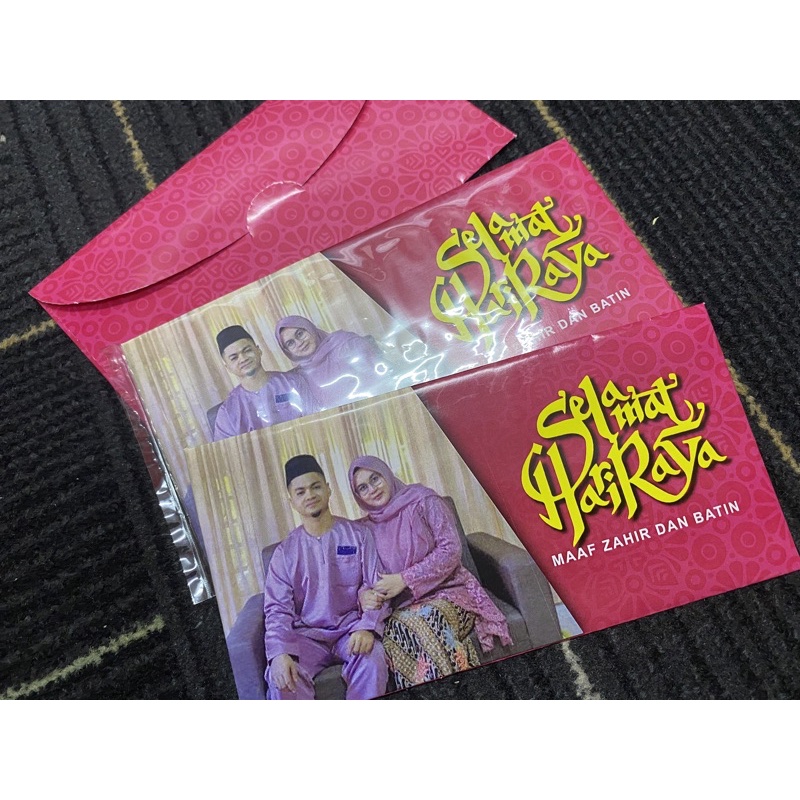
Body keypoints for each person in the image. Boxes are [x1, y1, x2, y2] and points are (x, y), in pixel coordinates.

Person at [348, 455, 512, 690]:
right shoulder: (365, 531)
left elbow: (451, 549)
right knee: (401, 630)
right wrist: (364, 595)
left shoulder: (424, 501)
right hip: (401, 607)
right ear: (357, 496)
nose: (372, 489)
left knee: (427, 623)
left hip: (450, 594)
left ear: (386, 474)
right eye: (363, 488)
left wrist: (405, 579)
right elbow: (366, 576)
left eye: (375, 479)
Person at [264, 454, 390, 700]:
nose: (310, 495)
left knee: (372, 660)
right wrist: (279, 653)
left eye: (316, 487)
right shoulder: (285, 553)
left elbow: (377, 585)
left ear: (328, 489)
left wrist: (367, 627)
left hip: (350, 630)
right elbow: (277, 609)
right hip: (307, 638)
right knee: (281, 678)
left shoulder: (358, 535)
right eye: (300, 492)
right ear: (292, 501)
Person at [212, 325, 317, 441]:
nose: (243, 359)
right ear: (228, 367)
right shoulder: (227, 412)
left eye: (247, 351)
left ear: (258, 350)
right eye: (234, 358)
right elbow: (228, 450)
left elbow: (317, 423)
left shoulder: (293, 382)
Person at [274, 315, 392, 410]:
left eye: (300, 334)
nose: (299, 343)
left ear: (310, 328)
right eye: (290, 343)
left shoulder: (346, 344)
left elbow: (380, 382)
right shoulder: (299, 378)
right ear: (287, 351)